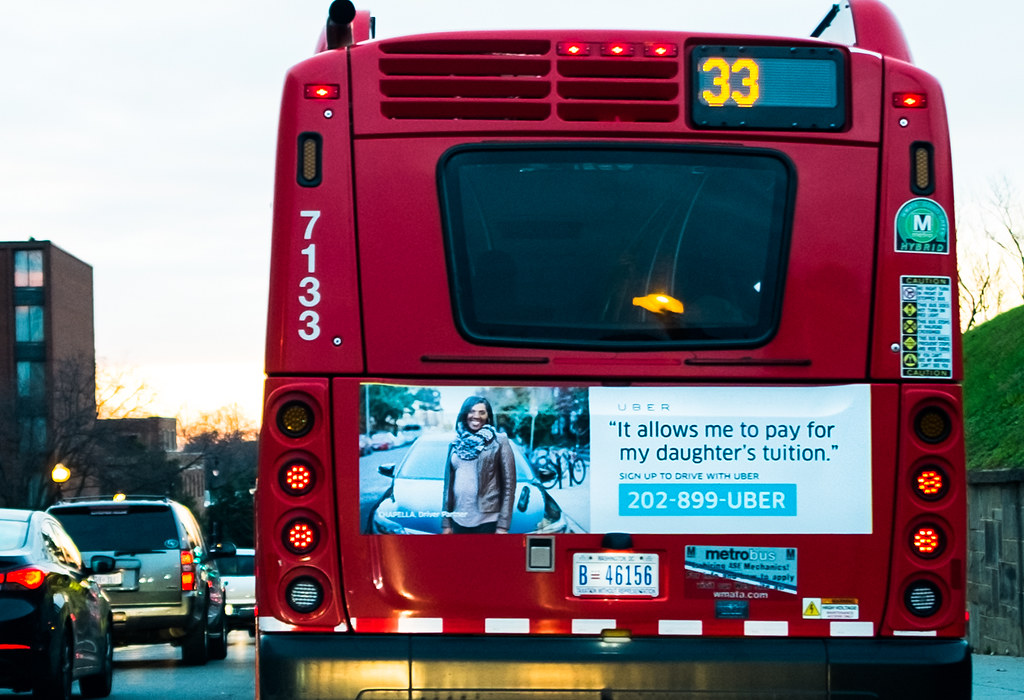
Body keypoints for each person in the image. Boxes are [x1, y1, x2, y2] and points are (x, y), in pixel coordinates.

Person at [442, 396, 517, 534]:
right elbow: (448, 487)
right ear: (464, 414)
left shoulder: (499, 441)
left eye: (482, 412)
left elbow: (509, 485)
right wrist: (446, 522)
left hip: (487, 521)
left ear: (488, 416)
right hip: (459, 519)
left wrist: (502, 526)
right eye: (472, 411)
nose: (476, 416)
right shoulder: (456, 443)